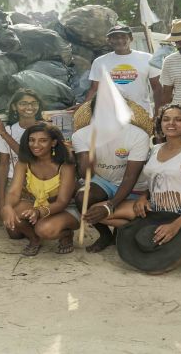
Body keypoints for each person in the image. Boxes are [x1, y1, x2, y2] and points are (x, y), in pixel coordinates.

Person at [114, 104, 181, 274]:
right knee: (102, 213)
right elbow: (154, 181)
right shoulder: (154, 150)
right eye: (166, 119)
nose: (171, 123)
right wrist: (143, 197)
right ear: (160, 124)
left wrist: (175, 225)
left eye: (178, 120)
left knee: (156, 271)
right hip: (156, 213)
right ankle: (146, 236)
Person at [73, 98, 151, 253]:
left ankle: (120, 231)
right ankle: (105, 235)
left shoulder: (138, 136)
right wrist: (84, 159)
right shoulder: (81, 135)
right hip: (103, 181)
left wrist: (109, 206)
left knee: (141, 216)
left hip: (135, 185)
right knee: (83, 198)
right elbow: (85, 175)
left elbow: (130, 177)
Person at [1, 123, 78, 256]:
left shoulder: (65, 165)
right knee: (8, 211)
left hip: (66, 209)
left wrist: (38, 212)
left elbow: (62, 202)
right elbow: (13, 192)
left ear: (53, 143)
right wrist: (7, 206)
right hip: (40, 204)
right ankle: (34, 239)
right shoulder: (24, 162)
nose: (35, 145)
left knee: (44, 229)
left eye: (43, 140)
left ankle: (66, 233)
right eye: (32, 140)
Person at [0, 89, 45, 229]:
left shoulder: (44, 129)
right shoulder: (9, 130)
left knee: (40, 223)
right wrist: (1, 196)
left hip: (40, 182)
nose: (29, 107)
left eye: (34, 103)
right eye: (23, 103)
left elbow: (28, 157)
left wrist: (4, 134)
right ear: (14, 107)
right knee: (14, 229)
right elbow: (4, 165)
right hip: (15, 183)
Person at [82, 25, 162, 116]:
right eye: (115, 38)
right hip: (111, 115)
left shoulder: (147, 59)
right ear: (109, 41)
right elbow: (94, 89)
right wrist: (83, 109)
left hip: (141, 113)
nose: (119, 40)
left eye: (124, 37)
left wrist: (158, 113)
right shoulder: (100, 62)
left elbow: (157, 88)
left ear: (131, 39)